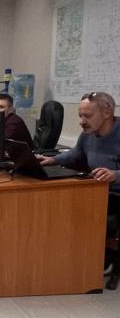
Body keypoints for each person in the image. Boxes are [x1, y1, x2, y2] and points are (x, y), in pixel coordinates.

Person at [39, 91, 120, 269]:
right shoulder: (88, 134)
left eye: (87, 116)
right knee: (59, 206)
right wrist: (52, 160)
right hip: (98, 191)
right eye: (80, 115)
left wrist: (115, 175)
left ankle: (91, 264)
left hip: (115, 195)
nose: (82, 121)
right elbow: (76, 154)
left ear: (107, 113)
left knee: (80, 215)